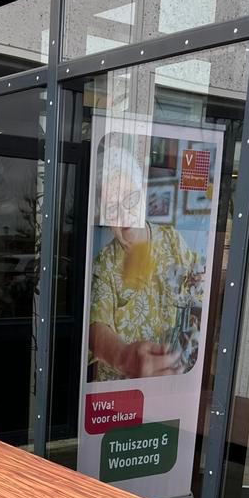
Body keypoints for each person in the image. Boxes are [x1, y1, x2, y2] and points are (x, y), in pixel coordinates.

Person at [87, 138, 202, 382]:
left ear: (143, 194)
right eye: (112, 207)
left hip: (170, 381)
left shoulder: (171, 240)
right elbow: (97, 327)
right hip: (120, 392)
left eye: (130, 199)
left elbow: (198, 289)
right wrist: (124, 356)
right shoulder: (105, 264)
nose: (124, 214)